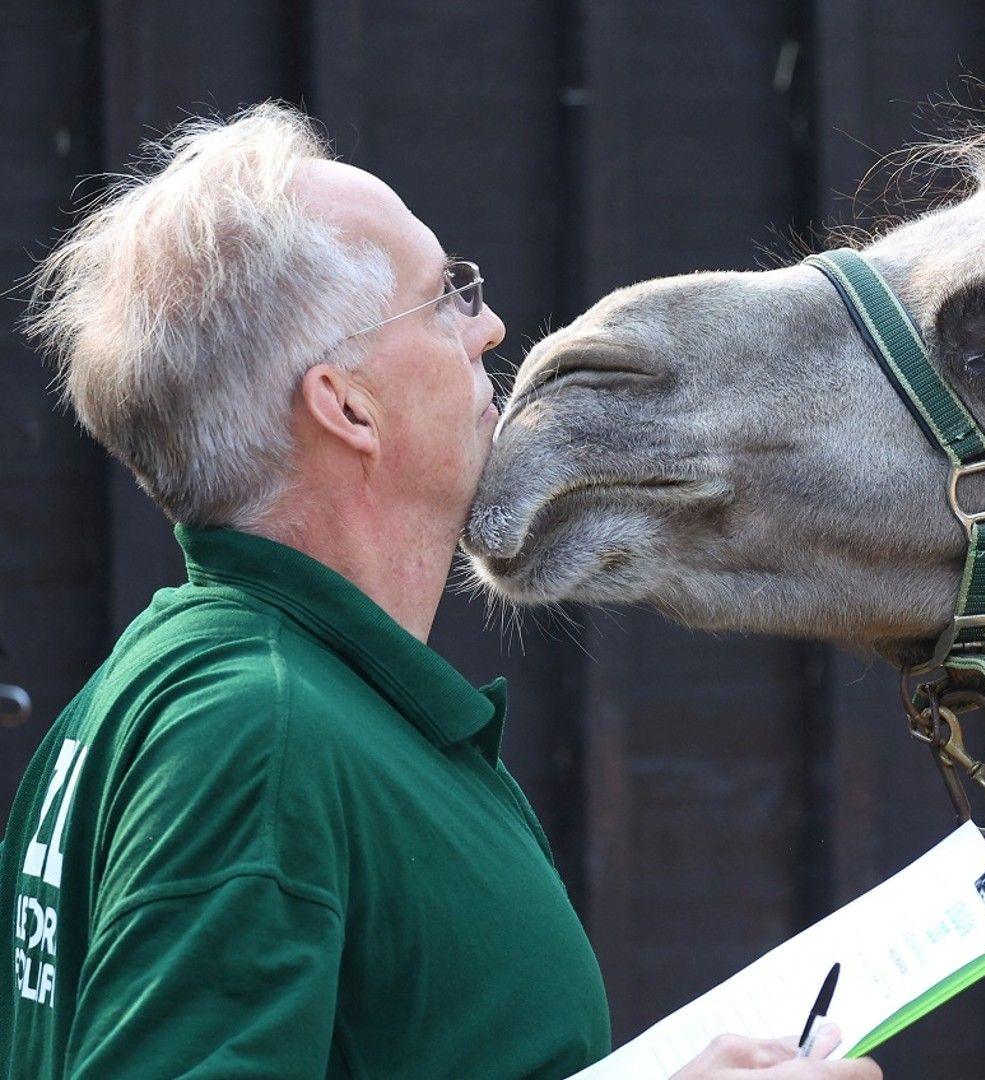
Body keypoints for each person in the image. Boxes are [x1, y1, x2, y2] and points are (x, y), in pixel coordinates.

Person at [6, 103, 878, 1080]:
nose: (491, 327)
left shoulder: (199, 693)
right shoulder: (255, 733)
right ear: (346, 405)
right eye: (444, 298)